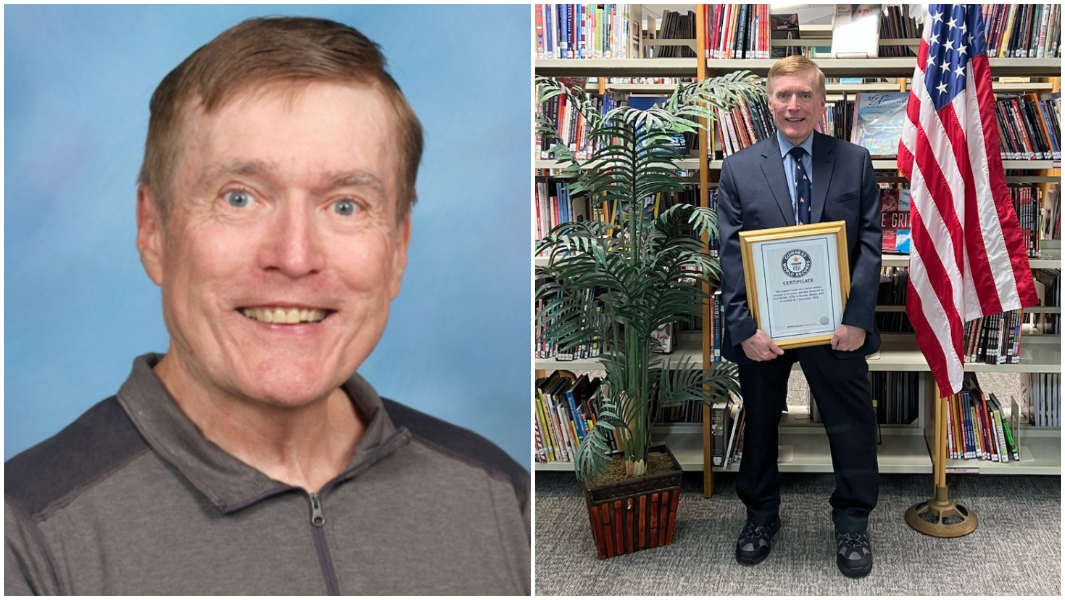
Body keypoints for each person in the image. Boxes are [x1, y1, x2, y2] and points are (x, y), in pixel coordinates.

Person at [4, 17, 530, 595]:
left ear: (399, 248)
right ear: (153, 230)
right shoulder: (28, 536)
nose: (295, 256)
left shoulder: (498, 495)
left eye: (346, 205)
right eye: (240, 198)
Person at [717, 55, 882, 578]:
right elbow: (729, 253)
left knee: (851, 423)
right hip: (765, 332)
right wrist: (744, 328)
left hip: (838, 328)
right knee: (761, 424)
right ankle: (761, 515)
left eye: (804, 95)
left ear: (821, 102)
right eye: (784, 95)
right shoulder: (741, 168)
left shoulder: (854, 160)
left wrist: (857, 318)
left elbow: (870, 245)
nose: (794, 105)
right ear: (770, 102)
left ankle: (853, 521)